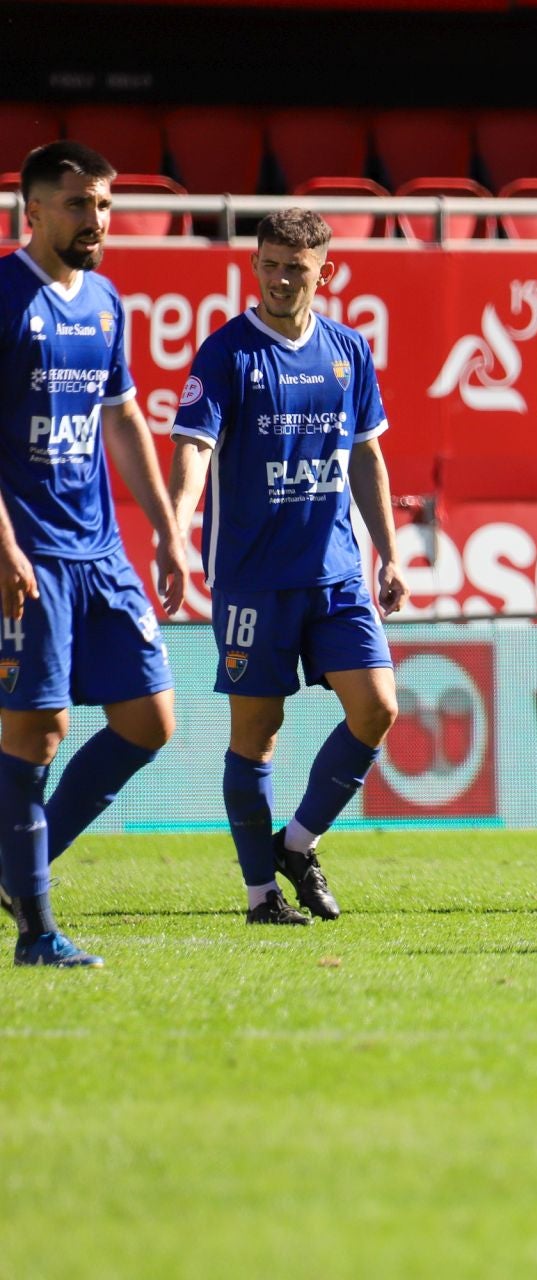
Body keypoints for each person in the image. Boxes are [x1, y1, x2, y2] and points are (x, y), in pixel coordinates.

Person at [167, 208, 407, 925]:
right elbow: (194, 448)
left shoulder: (348, 351)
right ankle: (260, 896)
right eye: (268, 264)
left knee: (378, 707)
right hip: (253, 580)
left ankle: (297, 844)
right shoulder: (227, 354)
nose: (278, 279)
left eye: (294, 268)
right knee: (258, 732)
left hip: (334, 572)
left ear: (322, 272)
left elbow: (365, 453)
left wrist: (389, 550)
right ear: (254, 266)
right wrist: (176, 530)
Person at [0, 142, 190, 968]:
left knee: (150, 720)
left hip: (101, 550)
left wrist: (169, 529)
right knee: (38, 734)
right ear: (31, 212)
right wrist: (4, 546)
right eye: (78, 204)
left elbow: (121, 418)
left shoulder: (107, 301)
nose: (96, 220)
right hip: (29, 548)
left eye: (105, 205)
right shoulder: (5, 296)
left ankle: (17, 869)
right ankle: (38, 932)